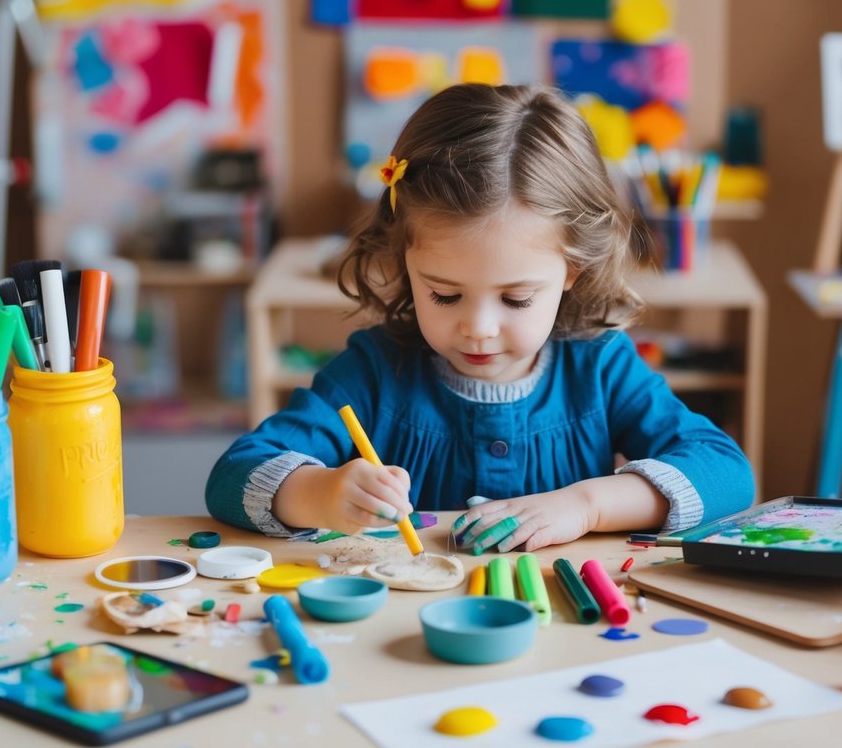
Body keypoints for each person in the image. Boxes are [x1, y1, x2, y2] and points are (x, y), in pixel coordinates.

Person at [206, 83, 753, 553]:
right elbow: (232, 476)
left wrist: (586, 505)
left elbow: (728, 473)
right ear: (405, 263)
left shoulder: (600, 366)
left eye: (516, 300)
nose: (479, 328)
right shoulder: (374, 371)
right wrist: (319, 493)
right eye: (444, 295)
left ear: (573, 272)